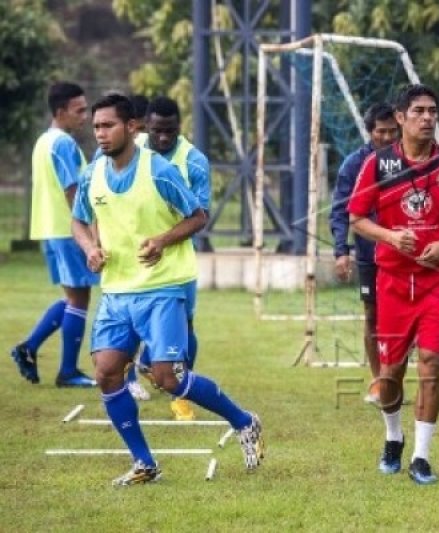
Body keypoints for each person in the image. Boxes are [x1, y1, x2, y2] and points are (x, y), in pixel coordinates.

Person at [71, 94, 263, 486]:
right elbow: (79, 220)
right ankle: (145, 462)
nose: (101, 134)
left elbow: (198, 216)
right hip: (117, 291)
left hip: (163, 287)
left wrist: (162, 240)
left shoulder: (158, 170)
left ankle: (244, 421)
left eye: (108, 126)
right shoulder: (93, 173)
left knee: (168, 377)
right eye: (96, 127)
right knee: (107, 373)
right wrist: (91, 247)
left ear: (131, 127)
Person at [348, 84, 439, 484]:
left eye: (432, 111)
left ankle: (421, 457)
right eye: (419, 111)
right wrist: (390, 237)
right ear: (402, 118)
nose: (427, 118)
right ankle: (394, 438)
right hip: (392, 282)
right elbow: (357, 217)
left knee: (431, 367)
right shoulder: (377, 164)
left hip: (438, 283)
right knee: (389, 373)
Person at [10, 82, 97, 387]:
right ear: (61, 112)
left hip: (51, 229)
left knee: (73, 297)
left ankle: (28, 348)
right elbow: (72, 190)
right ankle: (68, 372)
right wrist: (89, 231)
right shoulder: (62, 144)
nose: (85, 116)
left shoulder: (43, 141)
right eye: (80, 110)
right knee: (79, 297)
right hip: (67, 229)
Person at [130, 96, 212, 420]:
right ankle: (127, 379)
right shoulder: (129, 150)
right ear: (144, 126)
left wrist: (163, 240)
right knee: (130, 324)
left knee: (184, 327)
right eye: (157, 131)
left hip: (176, 261)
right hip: (133, 257)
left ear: (180, 126)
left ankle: (181, 393)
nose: (163, 137)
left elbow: (201, 214)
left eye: (170, 131)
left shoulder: (193, 160)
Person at [329, 102, 399, 404]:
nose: (386, 137)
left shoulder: (407, 160)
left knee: (401, 318)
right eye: (380, 132)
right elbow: (339, 211)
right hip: (369, 254)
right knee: (373, 315)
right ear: (369, 132)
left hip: (403, 255)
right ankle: (379, 381)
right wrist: (341, 252)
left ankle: (395, 376)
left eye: (391, 132)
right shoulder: (353, 165)